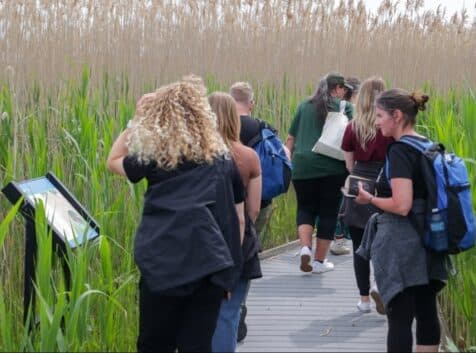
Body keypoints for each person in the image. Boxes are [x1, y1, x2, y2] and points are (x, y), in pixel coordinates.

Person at [106, 77, 245, 353]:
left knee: (154, 344)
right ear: (202, 117)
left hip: (162, 262)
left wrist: (136, 119)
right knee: (197, 345)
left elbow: (113, 160)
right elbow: (231, 219)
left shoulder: (155, 157)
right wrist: (229, 275)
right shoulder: (221, 160)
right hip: (208, 264)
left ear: (162, 117)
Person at [355, 89, 448, 352]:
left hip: (404, 245)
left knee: (400, 317)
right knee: (426, 309)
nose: (376, 121)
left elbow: (401, 204)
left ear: (397, 116)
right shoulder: (427, 144)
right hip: (431, 237)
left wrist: (369, 199)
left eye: (380, 115)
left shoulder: (399, 151)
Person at [209, 92, 262, 352]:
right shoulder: (248, 156)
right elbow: (252, 209)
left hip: (202, 242)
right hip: (238, 245)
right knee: (227, 315)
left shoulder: (195, 156)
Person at [285, 72, 353, 274]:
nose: (345, 93)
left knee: (305, 208)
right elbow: (352, 138)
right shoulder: (344, 107)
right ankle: (319, 262)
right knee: (328, 213)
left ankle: (305, 247)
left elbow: (290, 139)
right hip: (332, 167)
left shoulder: (304, 106)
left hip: (303, 166)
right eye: (344, 89)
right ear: (337, 88)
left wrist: (289, 162)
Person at [340, 76, 392, 314]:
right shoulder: (389, 128)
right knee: (385, 241)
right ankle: (380, 286)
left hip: (358, 185)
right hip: (385, 186)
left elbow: (349, 165)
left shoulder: (353, 126)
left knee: (360, 247)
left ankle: (363, 300)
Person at [330, 76, 361, 256]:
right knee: (342, 200)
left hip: (329, 158)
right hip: (345, 161)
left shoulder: (332, 107)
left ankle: (336, 237)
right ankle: (340, 238)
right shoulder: (351, 110)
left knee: (333, 201)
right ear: (355, 93)